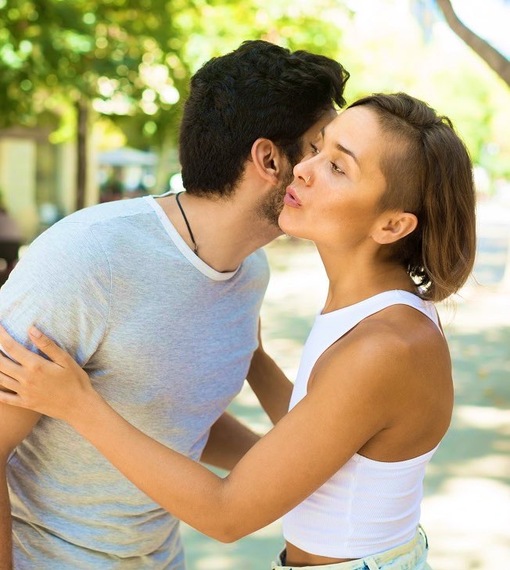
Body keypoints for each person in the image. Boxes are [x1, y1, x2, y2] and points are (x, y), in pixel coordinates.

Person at [0, 92, 476, 569]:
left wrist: (78, 406)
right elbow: (318, 438)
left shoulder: (384, 346)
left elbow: (226, 515)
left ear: (393, 225)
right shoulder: (367, 310)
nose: (304, 170)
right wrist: (254, 359)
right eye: (318, 148)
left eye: (339, 167)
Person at [0, 40, 349, 569]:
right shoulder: (87, 259)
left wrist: (279, 471)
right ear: (270, 160)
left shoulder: (250, 272)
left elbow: (180, 417)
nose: (325, 168)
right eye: (319, 149)